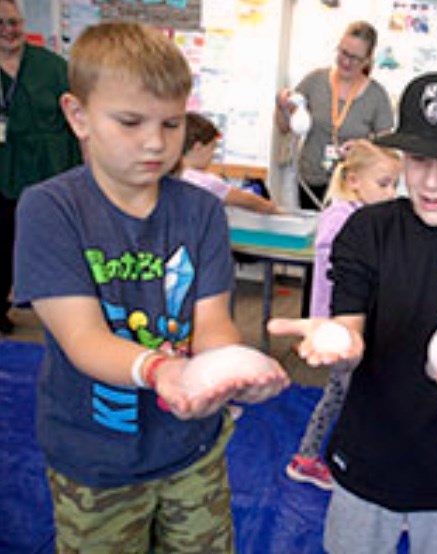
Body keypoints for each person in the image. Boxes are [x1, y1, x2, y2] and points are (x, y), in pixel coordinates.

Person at [12, 22, 290, 553]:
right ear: (78, 116)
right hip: (95, 459)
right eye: (130, 121)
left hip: (193, 450)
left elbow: (212, 324)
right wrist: (163, 369)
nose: (155, 142)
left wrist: (232, 369)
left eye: (172, 122)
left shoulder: (202, 210)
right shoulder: (51, 209)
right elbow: (83, 338)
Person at [269, 72, 437, 553]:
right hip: (368, 457)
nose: (432, 181)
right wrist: (337, 343)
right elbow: (349, 339)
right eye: (418, 159)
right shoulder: (367, 231)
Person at [286, 138, 401, 490]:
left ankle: (307, 457)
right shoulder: (342, 221)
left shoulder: (359, 216)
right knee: (356, 397)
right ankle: (325, 460)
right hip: (339, 328)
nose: (392, 193)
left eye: (396, 185)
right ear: (354, 181)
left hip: (353, 326)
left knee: (339, 393)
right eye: (384, 184)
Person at [0, 0, 82, 334]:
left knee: (47, 242)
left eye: (14, 22)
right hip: (4, 168)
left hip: (49, 170)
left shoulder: (52, 67)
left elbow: (76, 119)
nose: (9, 30)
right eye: (1, 23)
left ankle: (53, 308)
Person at [275, 20, 394, 210]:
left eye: (354, 57)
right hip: (310, 181)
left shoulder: (376, 96)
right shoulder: (315, 81)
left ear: (367, 59)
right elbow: (284, 128)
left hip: (352, 188)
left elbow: (387, 149)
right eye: (343, 53)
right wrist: (281, 107)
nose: (346, 61)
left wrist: (362, 147)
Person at [179, 111, 281, 214]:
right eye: (212, 149)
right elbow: (249, 201)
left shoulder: (170, 175)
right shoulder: (207, 183)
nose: (213, 155)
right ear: (198, 148)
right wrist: (275, 210)